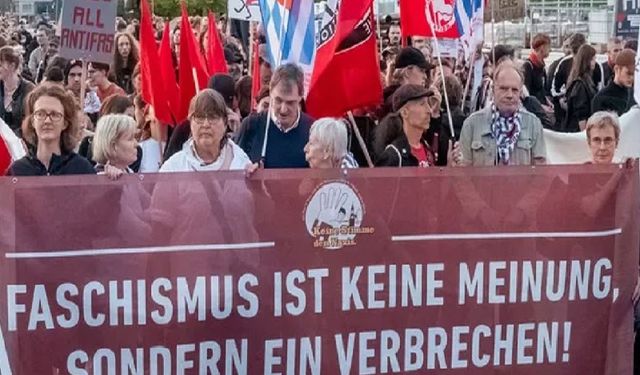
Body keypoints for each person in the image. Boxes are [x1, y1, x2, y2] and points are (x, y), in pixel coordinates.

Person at [458, 63, 547, 166]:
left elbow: (540, 174)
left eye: (514, 90)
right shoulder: (471, 124)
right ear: (493, 90)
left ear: (520, 93)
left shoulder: (533, 125)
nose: (509, 95)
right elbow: (464, 173)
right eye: (504, 89)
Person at [236, 63, 313, 168]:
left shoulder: (313, 131)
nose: (283, 109)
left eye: (290, 103)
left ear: (301, 96)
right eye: (278, 100)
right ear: (270, 91)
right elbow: (233, 174)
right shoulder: (251, 126)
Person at [8, 83, 95, 175]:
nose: (47, 120)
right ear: (32, 121)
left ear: (65, 123)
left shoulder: (81, 168)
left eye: (54, 114)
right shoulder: (18, 170)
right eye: (40, 114)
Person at [161, 89, 252, 172]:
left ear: (225, 123)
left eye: (212, 117)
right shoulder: (174, 168)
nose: (206, 124)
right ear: (190, 122)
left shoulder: (240, 163)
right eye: (200, 118)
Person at [375, 84, 440, 167]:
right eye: (422, 104)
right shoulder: (393, 156)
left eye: (428, 103)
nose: (429, 110)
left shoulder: (427, 149)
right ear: (405, 112)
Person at [563, 44, 597, 132]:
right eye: (593, 59)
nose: (595, 62)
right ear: (587, 61)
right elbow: (581, 115)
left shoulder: (583, 81)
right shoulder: (580, 85)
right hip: (577, 131)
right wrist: (584, 135)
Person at [0, 46, 34, 135]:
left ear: (12, 66)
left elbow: (31, 122)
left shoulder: (29, 89)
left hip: (21, 142)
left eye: (0, 65)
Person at [592, 49, 636, 116]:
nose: (632, 78)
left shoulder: (636, 96)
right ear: (617, 69)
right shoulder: (601, 99)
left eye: (634, 74)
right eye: (629, 73)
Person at [523, 33, 551, 104]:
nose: (550, 50)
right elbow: (527, 94)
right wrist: (541, 106)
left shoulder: (542, 66)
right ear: (542, 48)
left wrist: (547, 101)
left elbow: (541, 89)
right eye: (548, 47)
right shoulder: (528, 66)